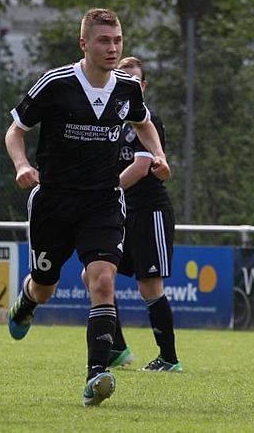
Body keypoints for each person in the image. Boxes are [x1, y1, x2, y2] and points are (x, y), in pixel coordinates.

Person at [5, 9, 171, 406]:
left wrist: (159, 154)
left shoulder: (128, 88)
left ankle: (96, 373)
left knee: (103, 281)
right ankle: (27, 300)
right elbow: (15, 131)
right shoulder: (55, 83)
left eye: (117, 41)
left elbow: (143, 121)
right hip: (54, 202)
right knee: (45, 288)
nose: (112, 48)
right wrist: (23, 165)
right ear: (84, 43)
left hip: (103, 201)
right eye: (103, 40)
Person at [81, 56, 181, 372]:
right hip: (123, 213)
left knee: (149, 285)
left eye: (135, 80)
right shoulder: (110, 123)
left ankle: (169, 358)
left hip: (150, 212)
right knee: (92, 275)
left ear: (143, 86)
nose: (129, 84)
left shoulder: (149, 121)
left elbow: (140, 167)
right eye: (123, 77)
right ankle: (117, 348)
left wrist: (103, 192)